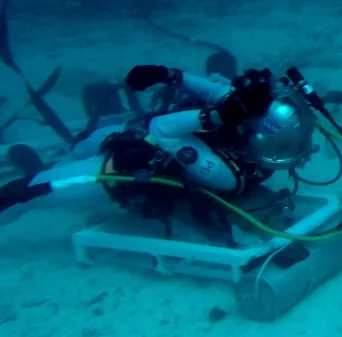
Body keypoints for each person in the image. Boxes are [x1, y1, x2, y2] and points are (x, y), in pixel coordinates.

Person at [0, 64, 315, 231]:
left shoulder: (228, 175)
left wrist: (215, 116)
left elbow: (162, 131)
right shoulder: (254, 134)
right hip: (129, 136)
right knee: (83, 142)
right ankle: (55, 164)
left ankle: (32, 185)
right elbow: (222, 94)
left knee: (28, 195)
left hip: (117, 171)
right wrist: (170, 75)